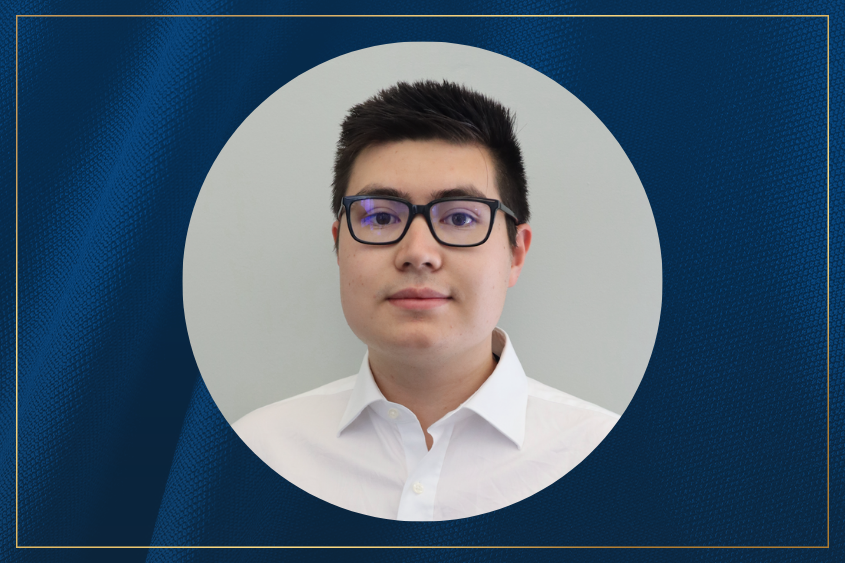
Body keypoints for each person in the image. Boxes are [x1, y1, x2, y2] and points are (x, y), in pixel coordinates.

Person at [233, 80, 619, 521]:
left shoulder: (606, 456)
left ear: (515, 254)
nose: (417, 253)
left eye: (459, 217)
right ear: (339, 247)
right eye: (380, 216)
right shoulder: (257, 453)